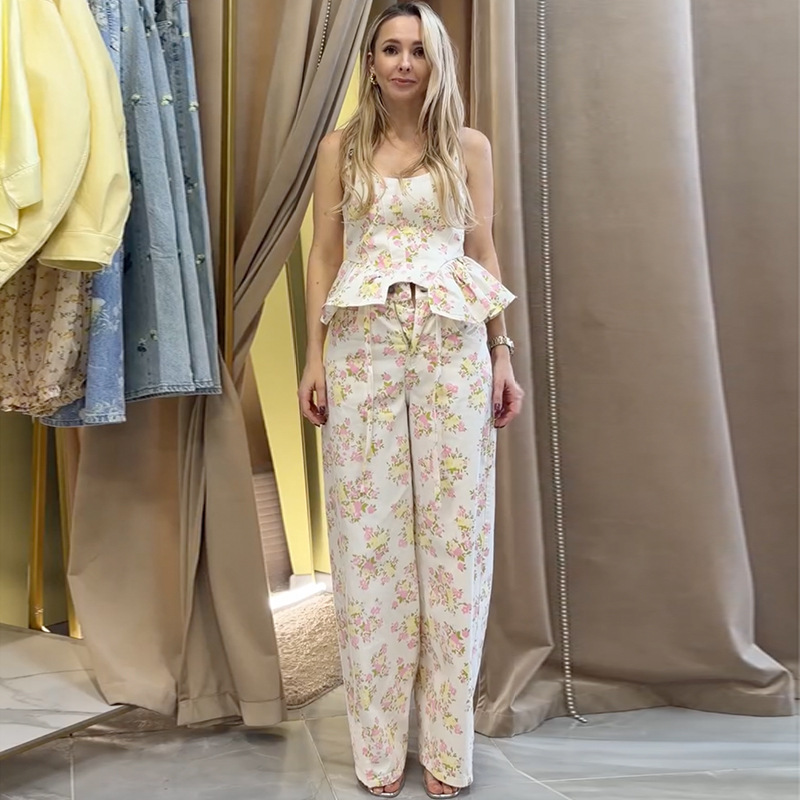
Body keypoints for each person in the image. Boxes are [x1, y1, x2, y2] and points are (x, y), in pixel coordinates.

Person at [298, 3, 523, 796]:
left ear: (436, 62)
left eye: (418, 50)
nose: (403, 62)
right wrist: (314, 356)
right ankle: (378, 749)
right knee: (369, 545)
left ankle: (449, 749)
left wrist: (501, 352)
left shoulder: (468, 146)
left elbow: (482, 247)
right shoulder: (340, 149)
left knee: (456, 544)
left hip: (452, 348)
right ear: (370, 61)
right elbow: (325, 254)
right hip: (360, 347)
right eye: (390, 48)